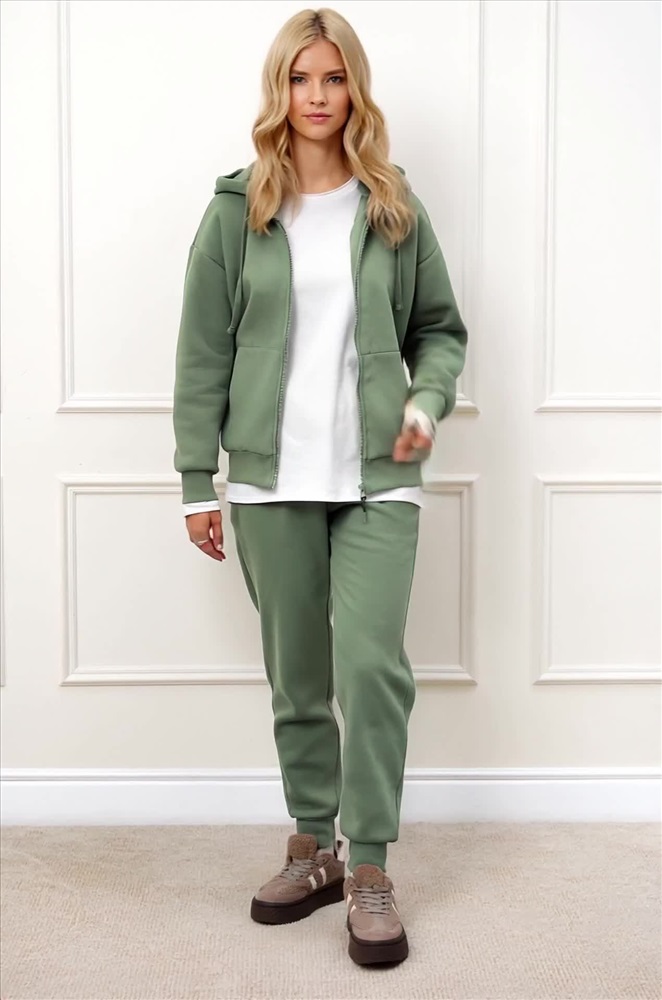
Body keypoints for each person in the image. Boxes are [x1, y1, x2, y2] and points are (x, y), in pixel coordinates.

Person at [172, 6, 468, 968]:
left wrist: (427, 399)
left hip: (381, 474)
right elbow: (201, 354)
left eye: (334, 78)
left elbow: (441, 330)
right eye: (300, 78)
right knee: (298, 679)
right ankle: (315, 848)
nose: (316, 95)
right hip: (269, 480)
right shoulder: (236, 211)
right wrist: (197, 480)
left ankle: (370, 863)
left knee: (371, 667)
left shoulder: (394, 208)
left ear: (354, 89)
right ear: (280, 89)